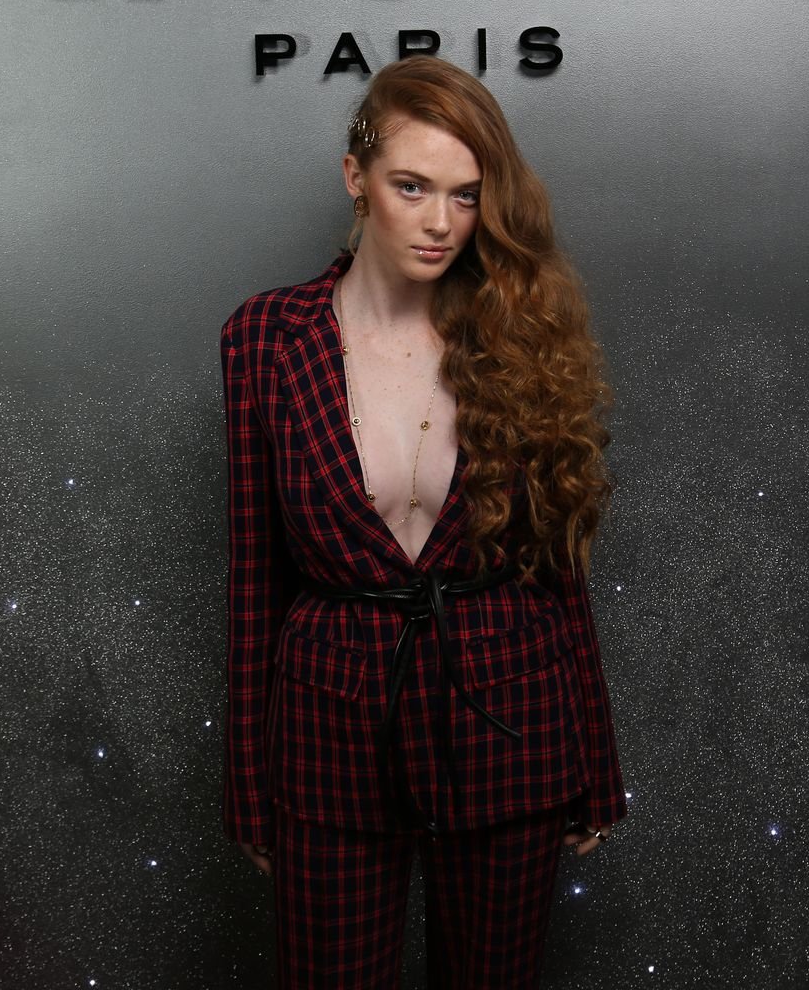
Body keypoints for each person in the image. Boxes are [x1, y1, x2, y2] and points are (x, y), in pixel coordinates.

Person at [218, 55, 628, 988]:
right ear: (356, 176)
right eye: (412, 186)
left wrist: (594, 759)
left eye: (466, 195)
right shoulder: (264, 339)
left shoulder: (518, 334)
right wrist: (249, 783)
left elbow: (559, 566)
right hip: (329, 725)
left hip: (508, 709)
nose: (441, 221)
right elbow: (254, 576)